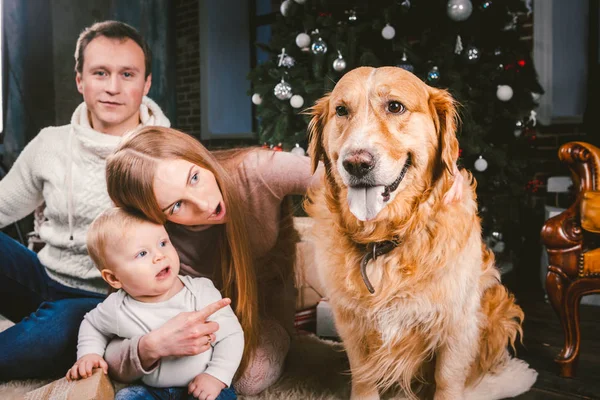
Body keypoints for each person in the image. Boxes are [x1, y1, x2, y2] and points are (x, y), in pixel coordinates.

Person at [104, 126, 465, 395]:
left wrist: (441, 176)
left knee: (250, 378)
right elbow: (117, 330)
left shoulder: (258, 171)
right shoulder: (150, 239)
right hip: (196, 321)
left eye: (195, 177)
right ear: (156, 216)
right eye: (176, 206)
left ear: (198, 156)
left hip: (265, 307)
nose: (203, 203)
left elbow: (343, 177)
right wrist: (150, 347)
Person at [0, 20, 196, 380]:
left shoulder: (171, 154)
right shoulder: (50, 144)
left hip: (115, 301)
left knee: (58, 326)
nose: (112, 88)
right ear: (80, 80)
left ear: (146, 83)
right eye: (100, 73)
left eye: (127, 74)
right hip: (42, 278)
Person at [67, 208, 241, 400]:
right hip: (152, 391)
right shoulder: (117, 307)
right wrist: (89, 354)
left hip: (204, 385)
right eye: (142, 253)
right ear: (114, 278)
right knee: (126, 397)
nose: (160, 255)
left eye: (163, 243)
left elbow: (231, 335)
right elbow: (92, 325)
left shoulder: (200, 292)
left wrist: (216, 376)